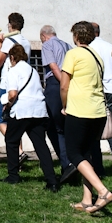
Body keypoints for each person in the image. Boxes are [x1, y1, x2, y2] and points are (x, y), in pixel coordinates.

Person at [60, 20, 112, 213]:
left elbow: (64, 85)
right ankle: (86, 199)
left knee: (74, 153)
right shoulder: (97, 56)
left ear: (75, 36)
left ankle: (103, 191)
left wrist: (64, 105)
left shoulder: (72, 54)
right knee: (86, 154)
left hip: (79, 110)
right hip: (98, 111)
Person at [2, 44, 58, 191]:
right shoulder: (33, 70)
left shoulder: (13, 71)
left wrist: (7, 104)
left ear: (12, 57)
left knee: (11, 140)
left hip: (22, 111)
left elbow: (13, 94)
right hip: (38, 110)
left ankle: (13, 175)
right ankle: (51, 180)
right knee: (40, 144)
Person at [40, 25, 76, 180]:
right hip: (70, 84)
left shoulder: (47, 45)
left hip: (56, 85)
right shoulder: (67, 45)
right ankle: (71, 162)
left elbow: (53, 67)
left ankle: (66, 164)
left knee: (55, 126)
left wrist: (63, 84)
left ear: (43, 36)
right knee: (66, 126)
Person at [90, 22, 112, 176]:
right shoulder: (110, 46)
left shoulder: (90, 48)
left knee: (93, 132)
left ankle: (98, 168)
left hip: (98, 90)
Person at [0, 13, 32, 137]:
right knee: (13, 120)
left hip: (7, 84)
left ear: (10, 25)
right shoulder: (26, 42)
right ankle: (19, 149)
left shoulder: (8, 41)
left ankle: (16, 146)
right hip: (21, 85)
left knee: (1, 120)